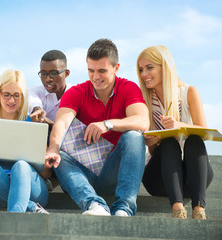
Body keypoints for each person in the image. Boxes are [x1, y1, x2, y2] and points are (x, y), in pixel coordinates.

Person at [45, 38, 149, 217]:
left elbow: (142, 121)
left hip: (113, 172)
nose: (95, 77)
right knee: (59, 155)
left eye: (102, 71)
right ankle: (94, 205)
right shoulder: (76, 92)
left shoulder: (129, 88)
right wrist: (52, 148)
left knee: (134, 136)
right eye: (91, 70)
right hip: (82, 173)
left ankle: (124, 209)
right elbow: (61, 122)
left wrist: (108, 124)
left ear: (116, 68)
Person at [137, 45, 214, 220]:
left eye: (149, 68)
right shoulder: (144, 100)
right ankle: (178, 209)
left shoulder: (189, 92)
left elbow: (204, 131)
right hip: (161, 179)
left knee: (195, 140)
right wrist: (151, 142)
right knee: (169, 142)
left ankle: (199, 208)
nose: (143, 74)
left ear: (165, 67)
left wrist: (178, 125)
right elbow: (153, 152)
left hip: (193, 177)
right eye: (141, 69)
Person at [0, 70, 53, 213]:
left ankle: (17, 214)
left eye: (17, 95)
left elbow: (46, 173)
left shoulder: (33, 122)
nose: (11, 101)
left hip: (31, 188)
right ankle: (29, 207)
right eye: (6, 95)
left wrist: (33, 158)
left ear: (23, 97)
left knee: (21, 166)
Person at [29, 50, 73, 126]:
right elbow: (34, 103)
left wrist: (50, 124)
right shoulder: (34, 91)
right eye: (43, 74)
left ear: (66, 73)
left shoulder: (78, 94)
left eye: (54, 73)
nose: (48, 79)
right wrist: (37, 110)